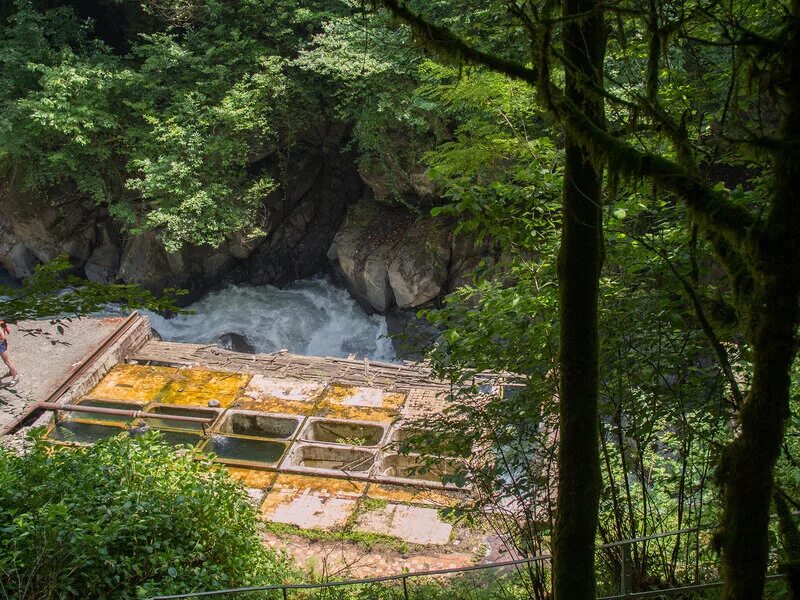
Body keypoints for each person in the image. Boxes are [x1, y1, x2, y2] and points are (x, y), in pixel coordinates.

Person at [0, 320, 19, 386]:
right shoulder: (1, 322)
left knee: (7, 361)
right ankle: (12, 372)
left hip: (1, 345)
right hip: (3, 343)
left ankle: (15, 377)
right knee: (8, 360)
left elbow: (2, 337)